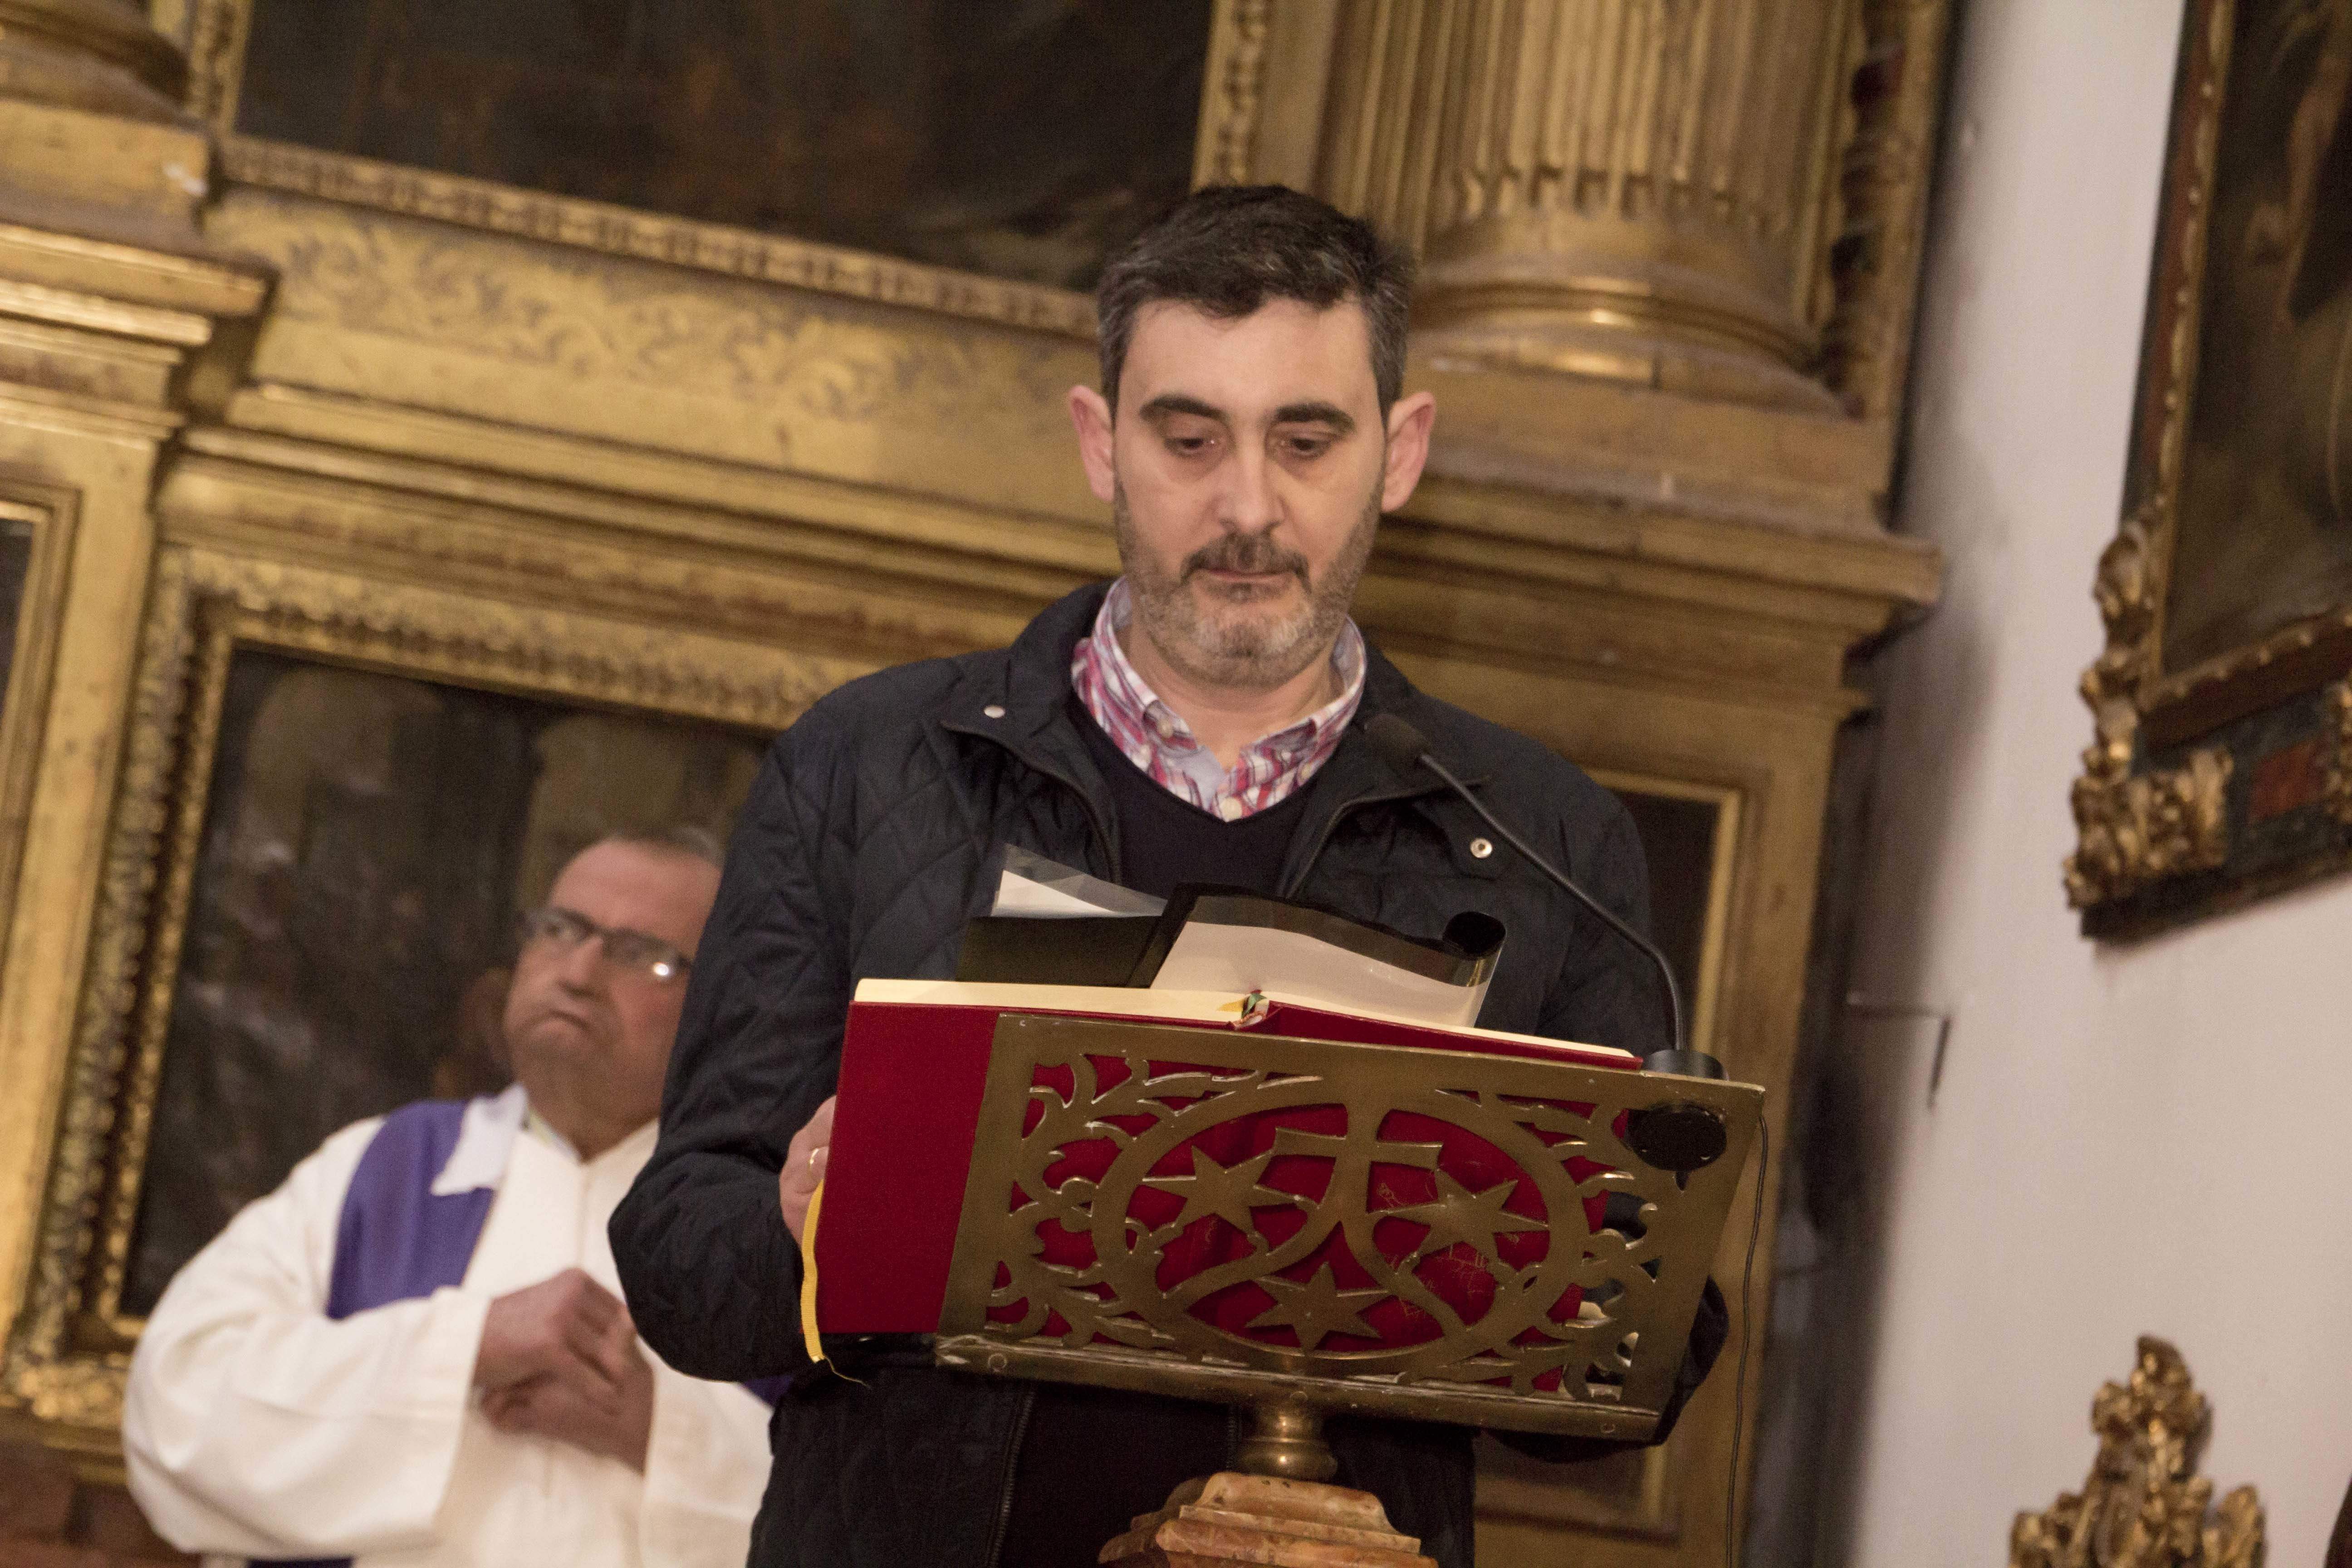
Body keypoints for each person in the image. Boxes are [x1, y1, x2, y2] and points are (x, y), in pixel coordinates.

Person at [610, 186, 1724, 1568]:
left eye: (1306, 441)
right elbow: (675, 1249)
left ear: (1403, 451)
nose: (1247, 507)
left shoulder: (1551, 839)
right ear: (1099, 443)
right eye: (1189, 439)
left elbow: (1634, 1382)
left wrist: (1600, 1274)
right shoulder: (868, 764)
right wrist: (797, 1233)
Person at [124, 830, 772, 1568]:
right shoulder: (385, 1169)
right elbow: (176, 1407)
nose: (580, 973)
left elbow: (888, 1522)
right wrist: (467, 1346)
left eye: (641, 955)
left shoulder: (765, 1215)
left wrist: (661, 1435)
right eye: (561, 930)